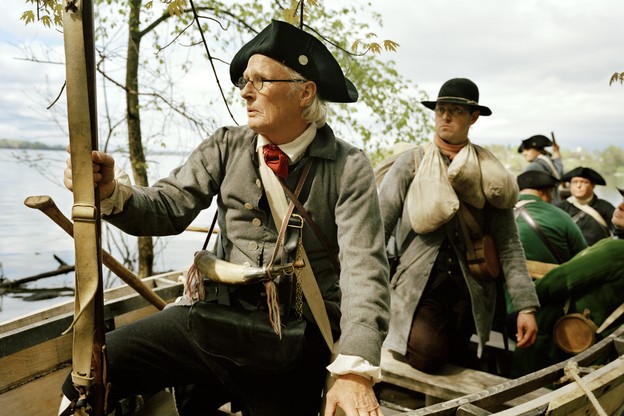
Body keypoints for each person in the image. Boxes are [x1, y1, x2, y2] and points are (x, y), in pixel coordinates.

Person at [58, 20, 390, 416]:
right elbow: (167, 207)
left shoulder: (348, 166)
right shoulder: (227, 145)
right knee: (91, 374)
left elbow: (364, 270)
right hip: (213, 318)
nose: (246, 92)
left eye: (261, 81)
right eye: (244, 81)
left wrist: (354, 368)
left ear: (305, 92)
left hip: (296, 340)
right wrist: (110, 193)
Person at [377, 78, 539, 374]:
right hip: (418, 288)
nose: (445, 117)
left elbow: (509, 244)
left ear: (473, 117)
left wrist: (525, 307)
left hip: (471, 291)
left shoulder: (489, 173)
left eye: (455, 110)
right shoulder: (410, 163)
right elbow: (376, 230)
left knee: (457, 358)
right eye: (440, 110)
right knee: (429, 355)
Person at [515, 171, 587, 265]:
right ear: (542, 193)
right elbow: (583, 254)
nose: (552, 198)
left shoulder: (501, 214)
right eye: (551, 193)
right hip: (555, 278)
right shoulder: (561, 215)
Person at [557, 166, 618, 245]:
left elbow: (619, 230)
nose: (578, 186)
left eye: (584, 182)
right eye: (575, 182)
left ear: (593, 185)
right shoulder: (561, 207)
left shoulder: (605, 207)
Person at [518, 134, 563, 204]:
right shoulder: (549, 162)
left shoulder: (533, 167)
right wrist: (556, 151)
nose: (524, 153)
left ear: (538, 151)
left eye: (527, 150)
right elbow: (559, 169)